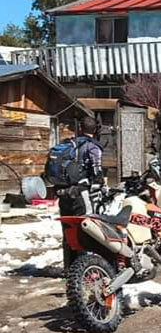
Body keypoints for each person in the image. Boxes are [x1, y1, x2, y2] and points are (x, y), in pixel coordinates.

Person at [55, 116, 104, 271]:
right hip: (80, 194)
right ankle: (85, 268)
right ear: (95, 130)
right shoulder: (92, 147)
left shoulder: (69, 145)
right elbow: (97, 171)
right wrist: (100, 184)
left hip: (63, 194)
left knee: (68, 230)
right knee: (86, 227)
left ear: (80, 129)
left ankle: (69, 268)